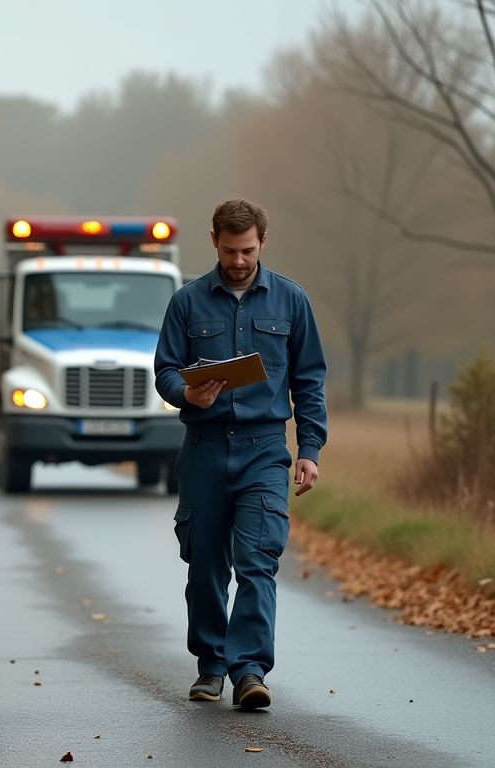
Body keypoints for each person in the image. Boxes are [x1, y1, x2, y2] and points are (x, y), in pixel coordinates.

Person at [153, 198, 328, 710]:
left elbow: (310, 381)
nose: (238, 261)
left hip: (265, 450)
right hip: (204, 449)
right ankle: (210, 667)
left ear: (263, 243)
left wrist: (310, 448)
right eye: (230, 251)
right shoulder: (186, 302)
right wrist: (188, 394)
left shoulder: (292, 301)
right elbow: (164, 370)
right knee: (205, 564)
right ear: (215, 242)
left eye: (247, 250)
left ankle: (249, 670)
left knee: (257, 561)